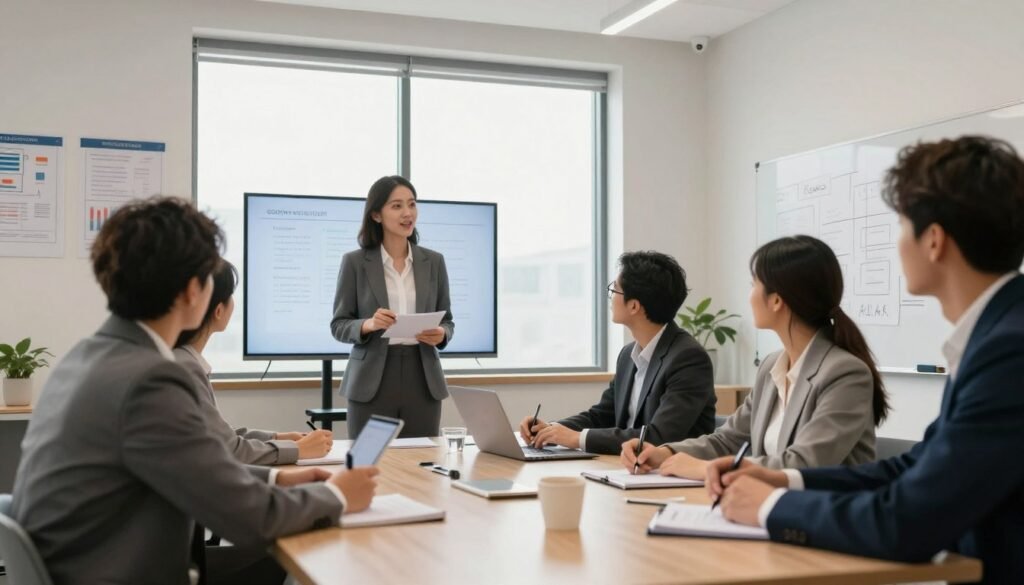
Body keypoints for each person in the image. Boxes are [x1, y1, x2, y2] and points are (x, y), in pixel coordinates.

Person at [12, 197, 378, 585]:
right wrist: (339, 496)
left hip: (86, 564)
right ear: (193, 291)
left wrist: (277, 479)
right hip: (122, 572)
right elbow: (250, 518)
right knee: (314, 559)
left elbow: (197, 470)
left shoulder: (88, 355)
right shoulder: (149, 380)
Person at [708, 136, 1024, 585]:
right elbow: (914, 467)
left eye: (899, 226)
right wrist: (784, 482)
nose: (897, 245)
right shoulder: (997, 334)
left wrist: (769, 507)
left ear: (934, 240)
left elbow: (907, 522)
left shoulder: (1008, 350)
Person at [622, 236, 888, 478]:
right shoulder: (773, 366)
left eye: (754, 284)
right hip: (772, 509)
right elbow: (728, 439)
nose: (749, 295)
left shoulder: (845, 373)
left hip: (826, 519)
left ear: (776, 301)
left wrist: (707, 469)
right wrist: (665, 452)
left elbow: (806, 464)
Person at [519, 251, 716, 455]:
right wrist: (551, 430)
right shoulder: (628, 354)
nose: (611, 297)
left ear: (633, 306)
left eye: (614, 290)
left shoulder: (688, 359)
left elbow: (658, 437)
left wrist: (577, 439)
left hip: (675, 479)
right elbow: (603, 415)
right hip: (627, 470)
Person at [174, 259, 334, 465]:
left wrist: (277, 438)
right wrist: (297, 450)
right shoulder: (185, 367)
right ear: (218, 310)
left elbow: (220, 435)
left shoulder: (182, 359)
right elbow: (227, 448)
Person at [331, 175, 454, 438]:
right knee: (368, 463)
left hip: (422, 378)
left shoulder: (433, 262)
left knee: (421, 467)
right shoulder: (355, 263)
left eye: (412, 204)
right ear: (376, 215)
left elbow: (448, 321)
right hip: (372, 379)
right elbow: (339, 324)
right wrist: (369, 324)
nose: (407, 213)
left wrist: (442, 334)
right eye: (397, 206)